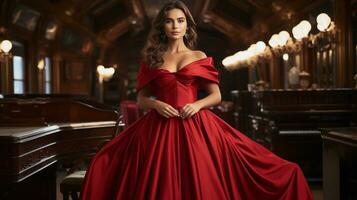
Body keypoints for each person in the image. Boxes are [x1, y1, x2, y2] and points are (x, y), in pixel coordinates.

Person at [80, 1, 313, 199]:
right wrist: (158, 104)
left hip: (196, 124)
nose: (175, 26)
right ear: (162, 25)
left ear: (187, 25)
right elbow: (142, 99)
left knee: (206, 175)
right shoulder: (152, 58)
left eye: (180, 21)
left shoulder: (199, 57)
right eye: (170, 21)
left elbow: (216, 95)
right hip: (159, 126)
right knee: (127, 169)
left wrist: (197, 104)